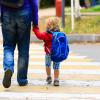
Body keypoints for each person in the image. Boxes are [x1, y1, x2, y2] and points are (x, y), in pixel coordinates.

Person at [0, 0, 38, 88]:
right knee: (23, 49)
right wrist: (35, 21)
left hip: (7, 13)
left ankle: (9, 68)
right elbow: (34, 2)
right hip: (25, 13)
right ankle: (22, 80)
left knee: (8, 46)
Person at [33, 17, 61, 86]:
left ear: (49, 26)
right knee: (56, 67)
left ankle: (49, 77)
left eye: (47, 24)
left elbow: (39, 36)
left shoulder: (47, 34)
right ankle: (56, 80)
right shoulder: (59, 34)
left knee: (48, 65)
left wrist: (35, 28)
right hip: (57, 53)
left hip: (48, 53)